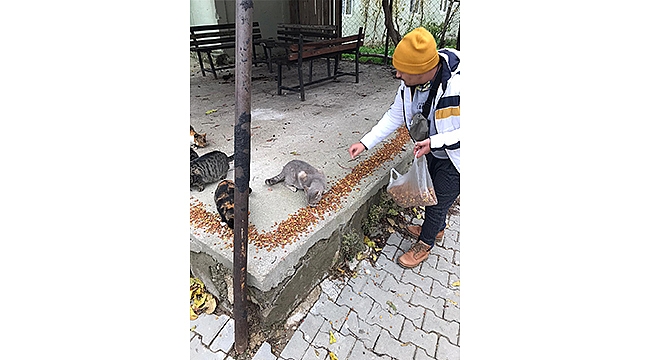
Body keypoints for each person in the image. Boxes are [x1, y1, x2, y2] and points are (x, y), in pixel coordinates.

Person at [348, 27, 460, 268]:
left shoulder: (460, 85)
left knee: (438, 200)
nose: (397, 74)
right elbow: (394, 116)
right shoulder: (411, 85)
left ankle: (425, 243)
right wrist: (365, 142)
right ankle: (436, 229)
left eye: (403, 71)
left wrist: (436, 142)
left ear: (424, 71)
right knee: (432, 194)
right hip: (431, 148)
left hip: (457, 155)